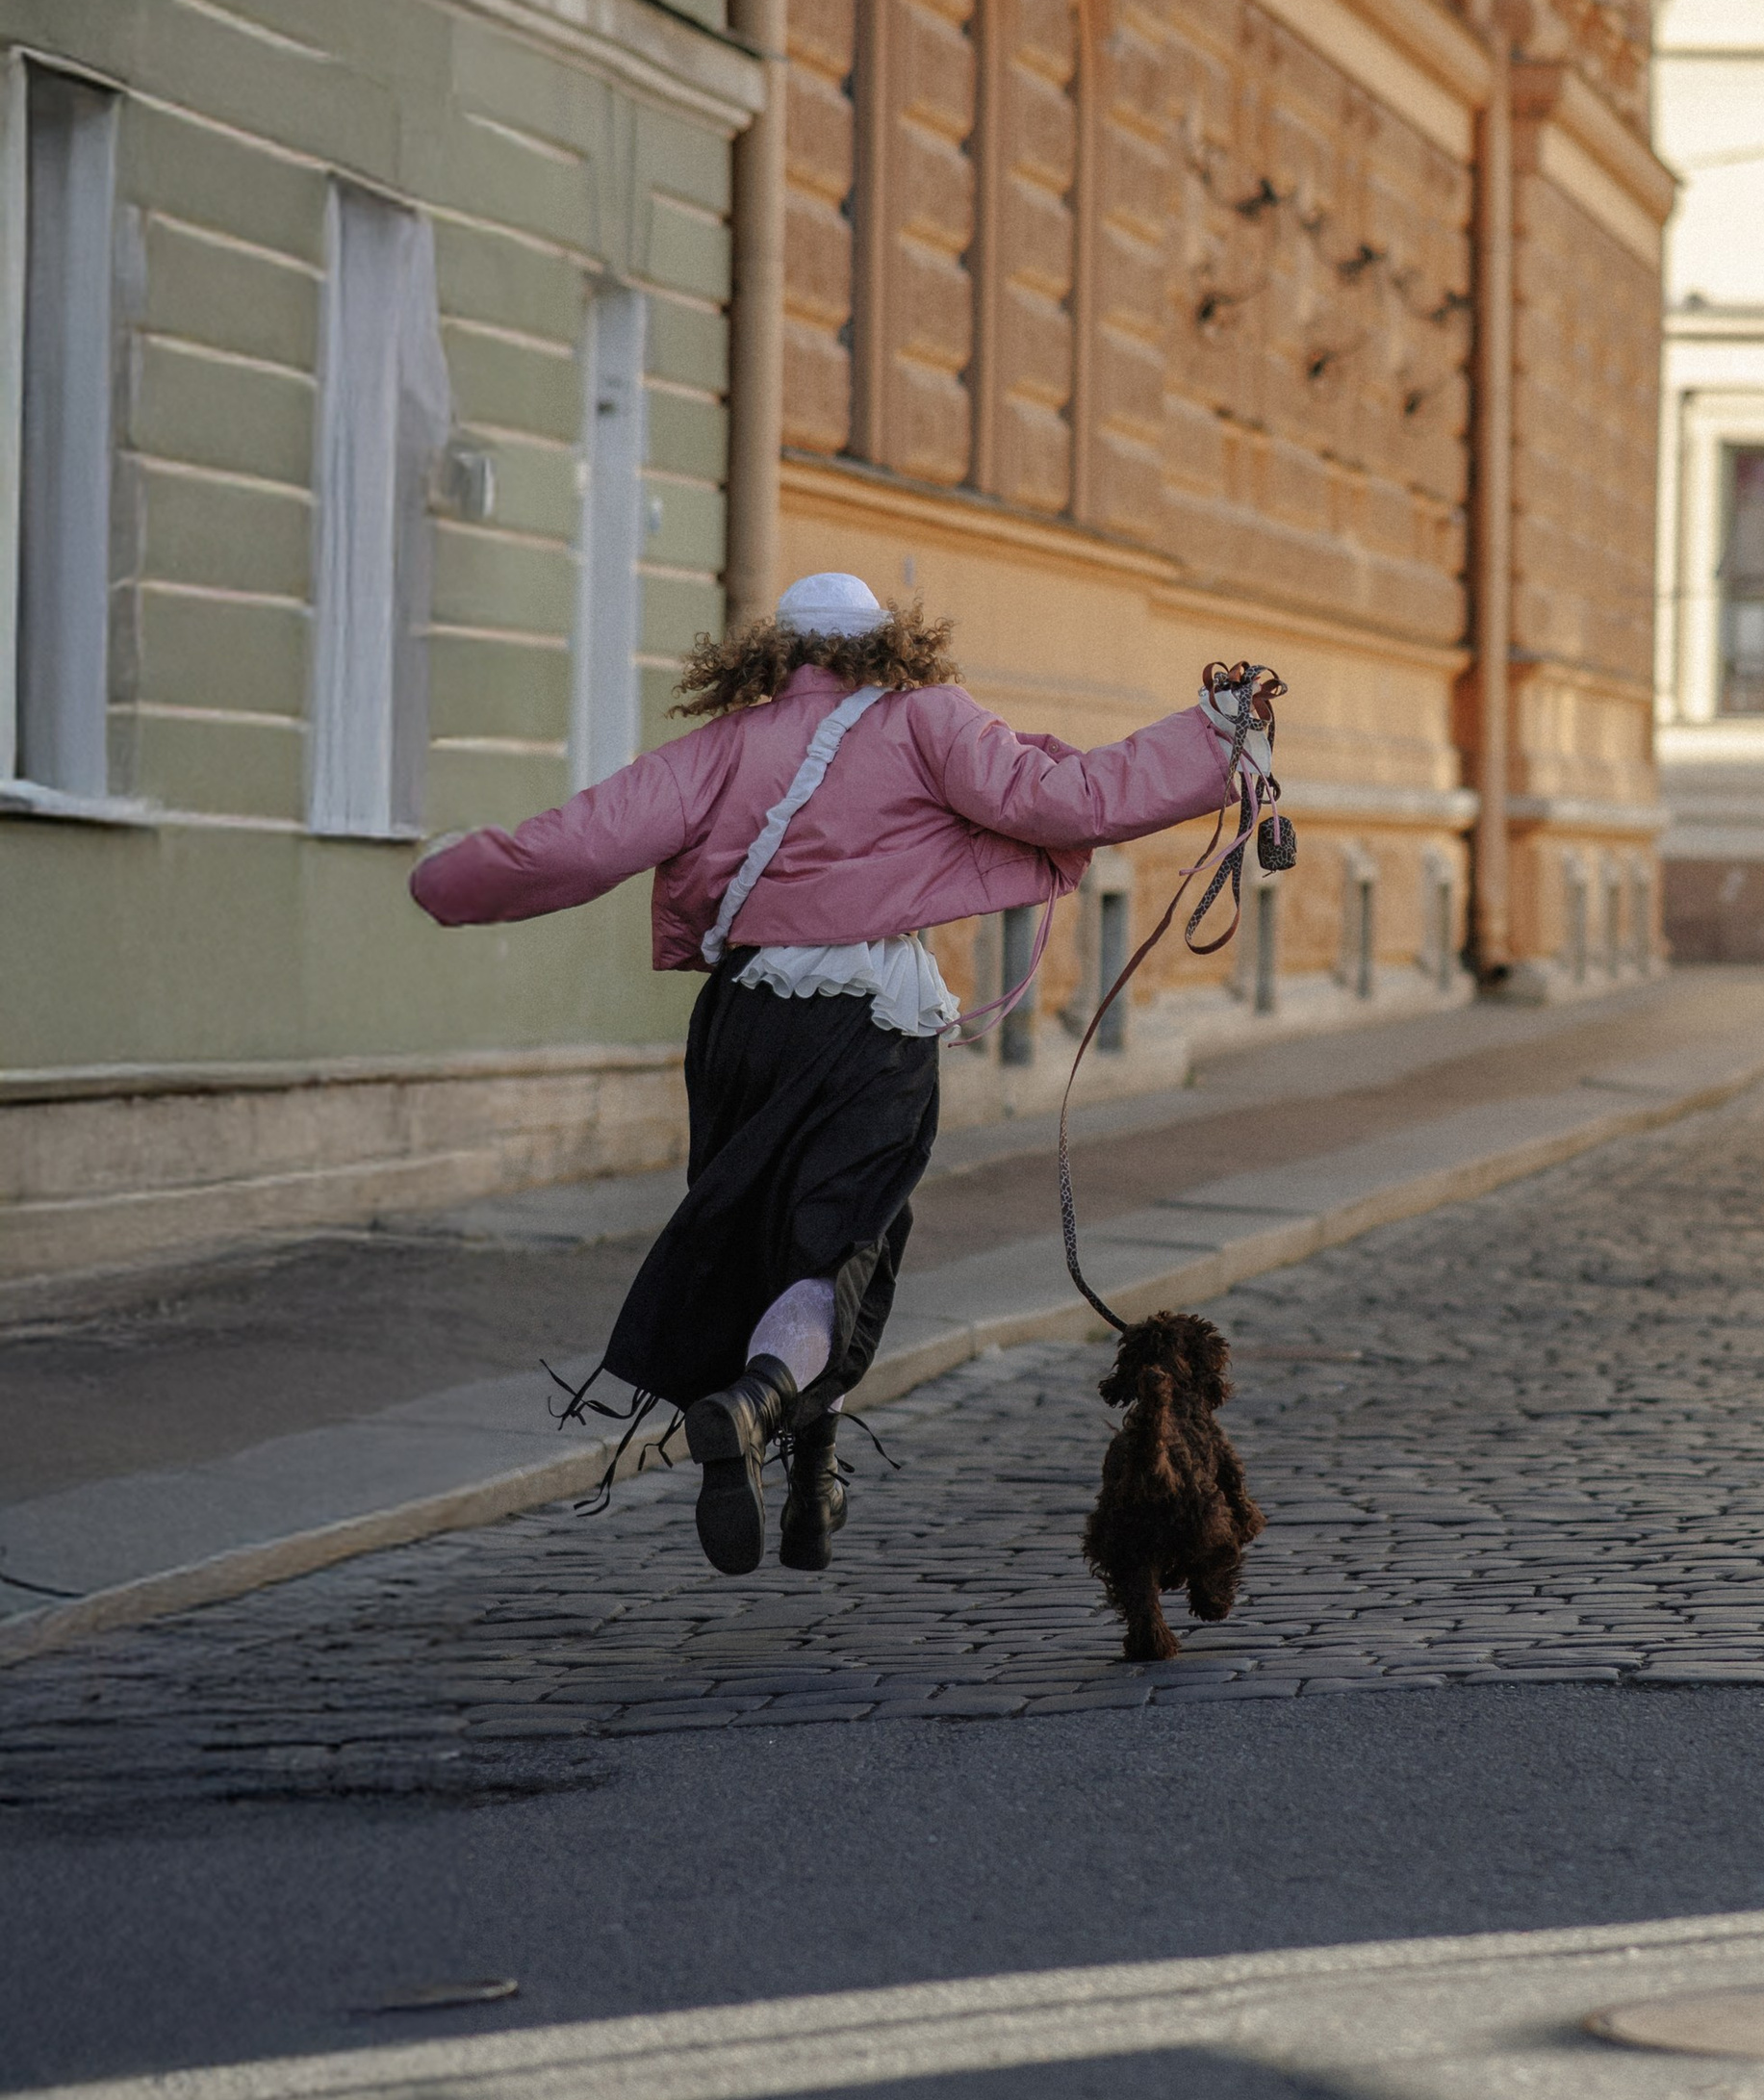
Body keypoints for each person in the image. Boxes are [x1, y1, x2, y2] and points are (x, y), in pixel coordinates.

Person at [410, 573, 1259, 1576]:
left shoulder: (725, 743)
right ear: (889, 643)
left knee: (766, 1242)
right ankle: (757, 1398)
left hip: (742, 1020)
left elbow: (578, 841)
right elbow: (1060, 797)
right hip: (868, 1020)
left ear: (778, 656)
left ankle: (812, 1486)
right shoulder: (927, 719)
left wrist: (442, 878)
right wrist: (1216, 734)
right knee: (838, 1254)